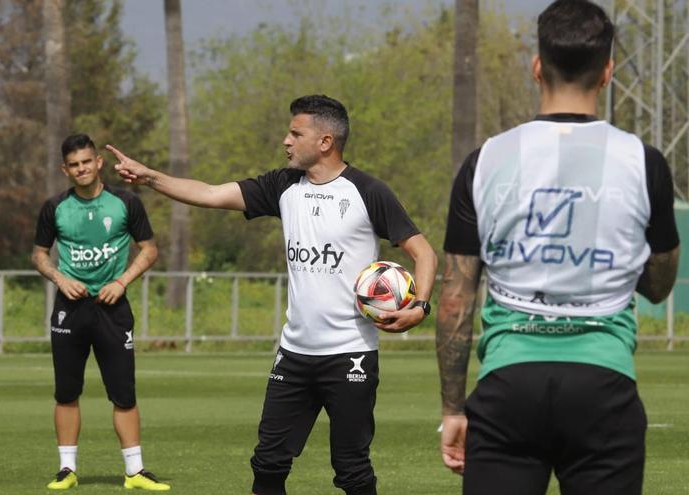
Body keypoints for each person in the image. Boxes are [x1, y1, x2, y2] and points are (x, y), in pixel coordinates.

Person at [107, 94, 437, 495]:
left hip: (350, 355)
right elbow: (210, 194)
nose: (286, 140)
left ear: (325, 142)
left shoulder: (368, 191)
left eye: (296, 133)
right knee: (268, 464)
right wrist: (150, 177)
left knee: (352, 470)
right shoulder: (283, 185)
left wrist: (419, 307)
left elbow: (423, 252)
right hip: (294, 355)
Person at [436, 1, 681, 494]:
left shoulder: (485, 161)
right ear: (608, 71)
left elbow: (455, 300)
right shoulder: (644, 162)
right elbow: (658, 285)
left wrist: (453, 407)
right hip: (603, 386)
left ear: (536, 67)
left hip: (509, 387)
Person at [32, 133, 169, 491]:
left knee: (123, 393)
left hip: (113, 310)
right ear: (66, 169)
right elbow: (39, 256)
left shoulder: (126, 202)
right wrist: (60, 279)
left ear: (98, 163)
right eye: (73, 165)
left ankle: (135, 471)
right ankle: (67, 469)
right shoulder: (54, 207)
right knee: (66, 391)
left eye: (86, 162)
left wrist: (122, 281)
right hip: (69, 311)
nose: (81, 169)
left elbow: (150, 250)